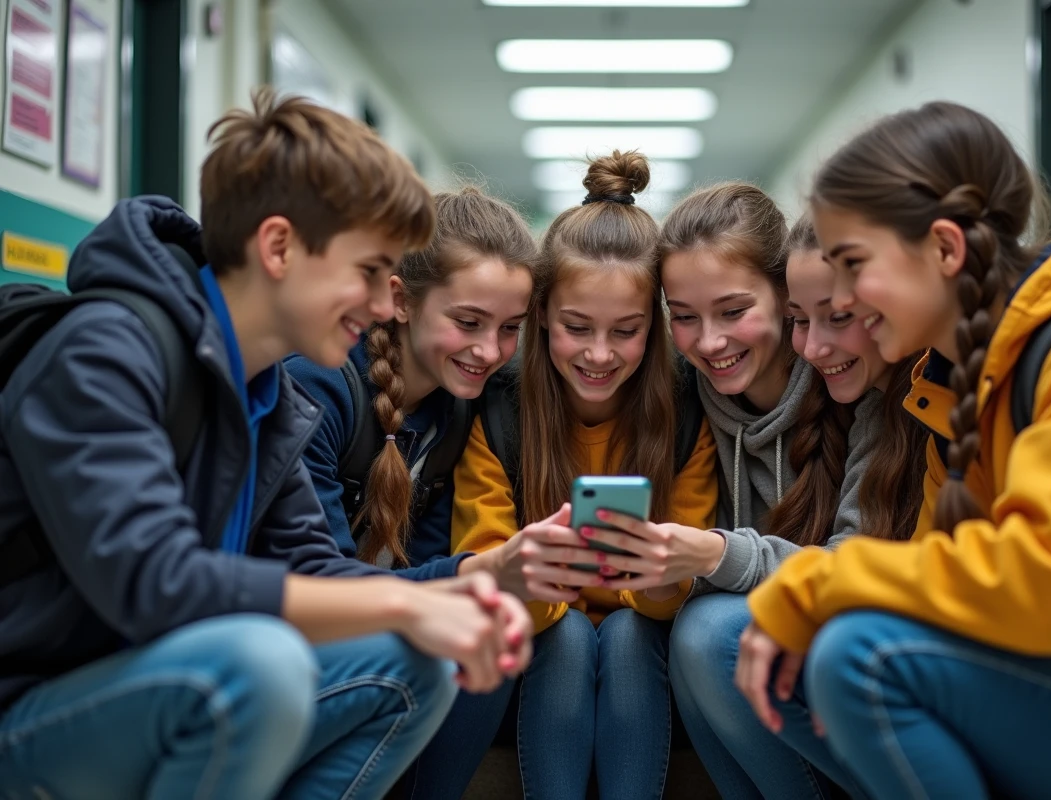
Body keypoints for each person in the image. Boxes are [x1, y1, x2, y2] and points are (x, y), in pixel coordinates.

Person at [0, 89, 531, 800]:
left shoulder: (266, 392)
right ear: (278, 247)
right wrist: (405, 605)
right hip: (35, 709)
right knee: (261, 662)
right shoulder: (105, 351)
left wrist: (464, 591)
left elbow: (313, 567)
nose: (384, 306)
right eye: (367, 273)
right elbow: (155, 582)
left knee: (415, 664)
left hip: (156, 689)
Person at [739, 100, 1051, 799]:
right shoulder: (951, 383)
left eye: (854, 265)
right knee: (811, 656)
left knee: (858, 656)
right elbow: (939, 569)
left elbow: (1038, 588)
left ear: (946, 250)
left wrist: (815, 585)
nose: (845, 296)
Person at [451, 151, 719, 800]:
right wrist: (543, 579)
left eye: (626, 331)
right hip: (537, 648)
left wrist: (658, 574)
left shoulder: (687, 412)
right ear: (542, 315)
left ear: (654, 327)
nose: (599, 354)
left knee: (625, 634)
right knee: (569, 635)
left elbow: (681, 591)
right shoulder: (500, 412)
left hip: (645, 652)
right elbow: (482, 566)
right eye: (577, 328)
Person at [284, 185, 538, 799]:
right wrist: (475, 571)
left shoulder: (458, 407)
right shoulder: (321, 384)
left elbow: (423, 557)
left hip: (379, 621)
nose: (490, 350)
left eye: (510, 329)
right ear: (400, 300)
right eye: (467, 322)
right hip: (297, 635)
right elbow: (317, 581)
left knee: (485, 633)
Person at [665, 215, 925, 799]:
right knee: (683, 636)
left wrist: (713, 554)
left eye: (734, 311)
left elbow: (857, 567)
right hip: (819, 628)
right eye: (683, 316)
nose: (710, 342)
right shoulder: (683, 393)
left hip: (869, 634)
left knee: (709, 633)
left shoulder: (873, 388)